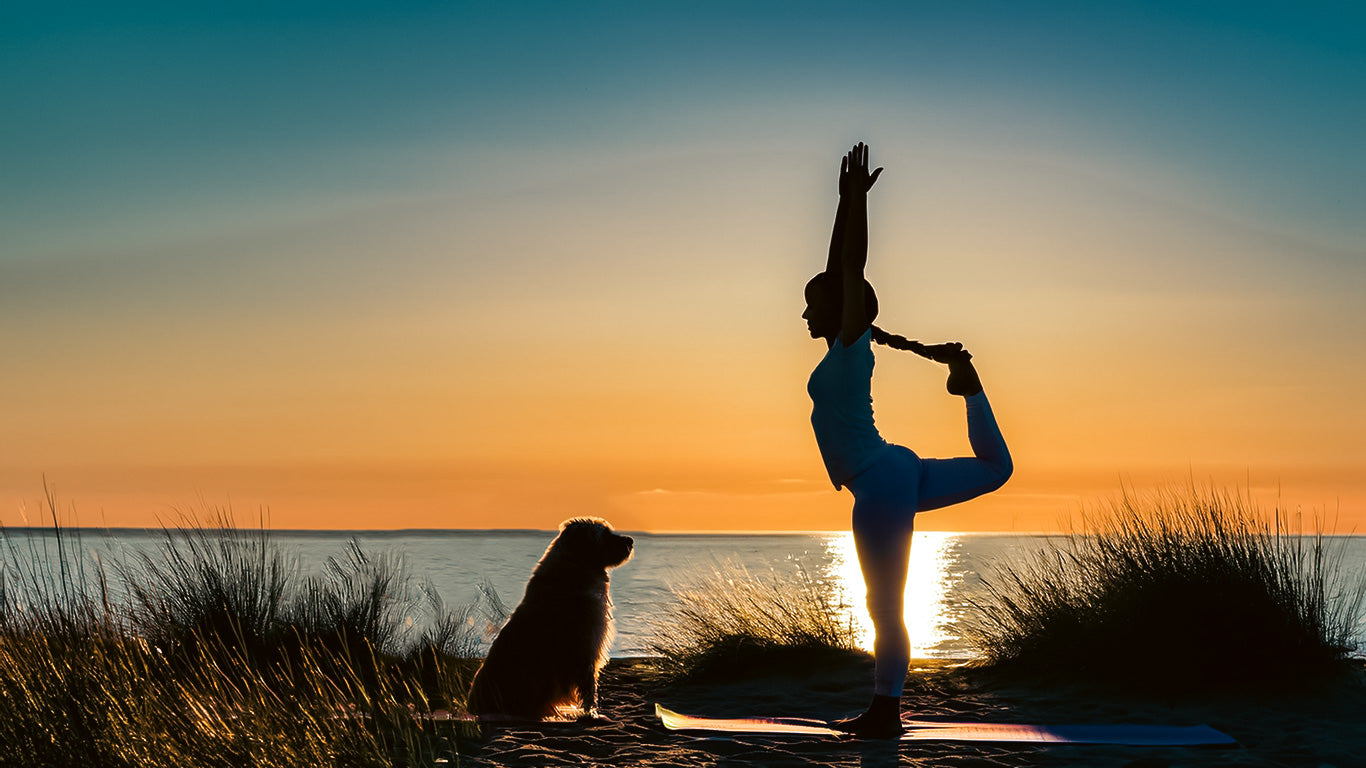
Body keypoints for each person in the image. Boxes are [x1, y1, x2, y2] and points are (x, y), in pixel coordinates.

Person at [805, 143, 1013, 738]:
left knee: (884, 603)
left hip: (880, 481)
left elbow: (850, 267)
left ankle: (884, 712)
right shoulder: (841, 352)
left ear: (840, 311)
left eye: (809, 306)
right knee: (996, 470)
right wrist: (841, 202)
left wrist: (854, 202)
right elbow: (836, 267)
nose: (803, 315)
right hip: (894, 470)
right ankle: (969, 386)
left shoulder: (849, 351)